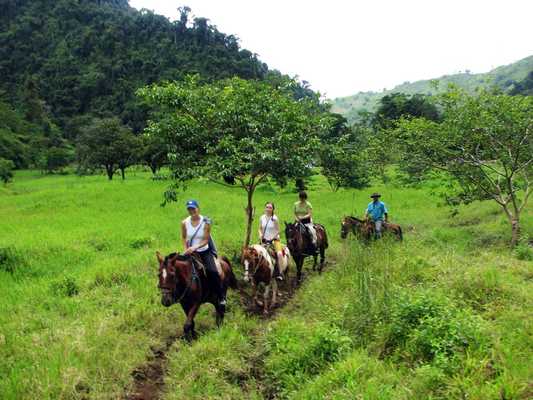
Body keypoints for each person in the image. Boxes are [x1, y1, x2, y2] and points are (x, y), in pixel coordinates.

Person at [181, 199, 225, 305]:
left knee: (213, 272)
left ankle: (221, 296)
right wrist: (185, 249)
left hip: (204, 251)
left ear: (198, 208)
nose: (192, 211)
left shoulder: (206, 221)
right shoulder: (184, 222)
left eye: (193, 208)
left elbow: (205, 240)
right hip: (191, 252)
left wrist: (195, 247)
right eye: (189, 209)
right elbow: (183, 237)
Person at [258, 202, 284, 280]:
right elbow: (259, 228)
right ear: (264, 208)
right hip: (264, 240)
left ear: (273, 209)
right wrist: (260, 235)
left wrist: (272, 238)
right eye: (267, 207)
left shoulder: (275, 218)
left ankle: (280, 272)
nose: (268, 209)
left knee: (279, 254)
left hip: (275, 240)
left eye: (270, 207)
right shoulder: (262, 217)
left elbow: (278, 230)